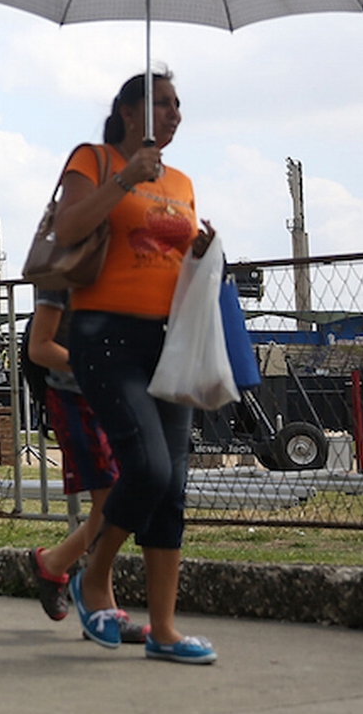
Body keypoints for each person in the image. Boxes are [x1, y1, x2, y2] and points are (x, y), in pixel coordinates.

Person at [51, 70, 217, 664]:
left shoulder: (181, 181)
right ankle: (93, 576)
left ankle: (165, 629)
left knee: (171, 487)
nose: (174, 113)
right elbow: (67, 229)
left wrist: (200, 249)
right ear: (128, 111)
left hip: (170, 340)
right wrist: (124, 177)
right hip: (105, 335)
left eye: (178, 104)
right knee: (146, 467)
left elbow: (173, 254)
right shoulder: (93, 160)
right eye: (162, 103)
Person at [22, 288, 145, 643]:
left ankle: (54, 564)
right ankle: (101, 605)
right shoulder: (63, 271)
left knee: (120, 499)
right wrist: (95, 363)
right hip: (75, 397)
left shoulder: (119, 268)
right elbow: (40, 347)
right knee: (109, 501)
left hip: (112, 393)